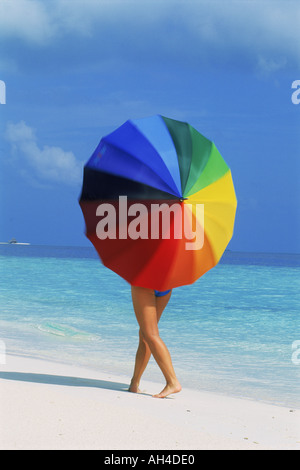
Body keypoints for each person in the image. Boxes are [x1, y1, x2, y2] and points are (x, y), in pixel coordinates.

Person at [129, 286, 182, 398]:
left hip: (144, 284)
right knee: (145, 333)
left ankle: (172, 382)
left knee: (150, 334)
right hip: (165, 285)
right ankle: (134, 383)